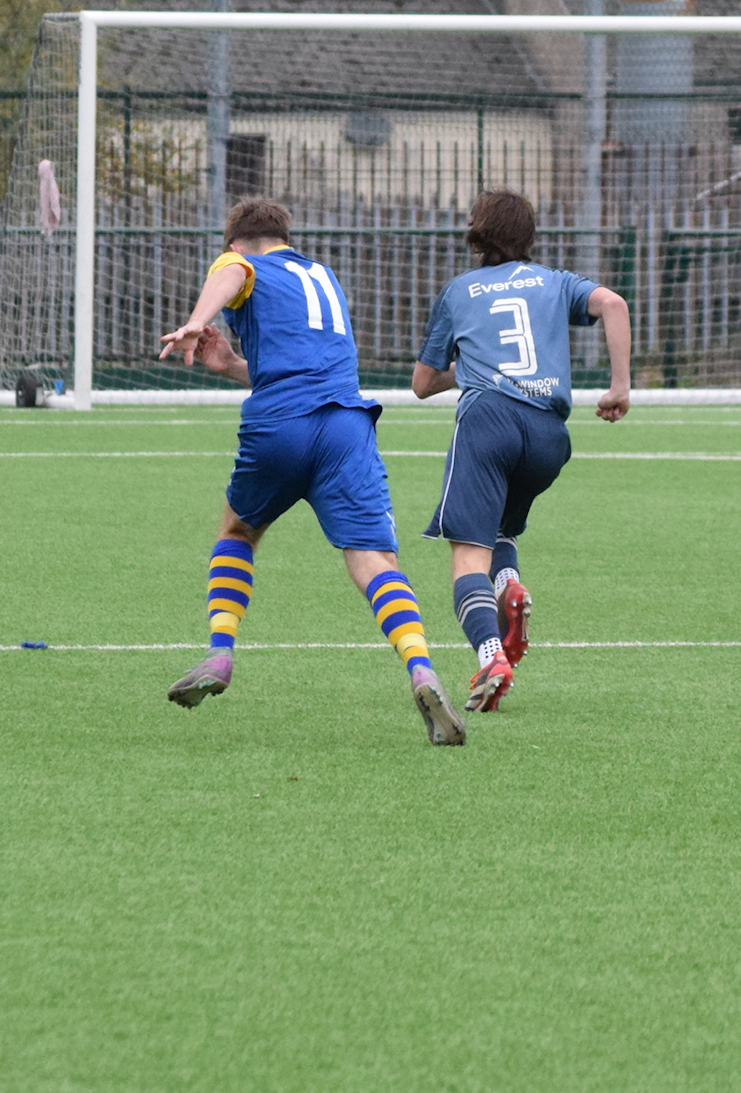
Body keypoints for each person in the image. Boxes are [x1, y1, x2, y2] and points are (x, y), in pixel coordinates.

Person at [156, 198, 462, 746]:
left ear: (235, 241)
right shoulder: (322, 275)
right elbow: (301, 363)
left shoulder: (242, 264)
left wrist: (197, 322)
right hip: (346, 425)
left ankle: (220, 655)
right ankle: (420, 667)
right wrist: (229, 364)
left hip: (280, 425)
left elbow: (233, 272)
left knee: (237, 529)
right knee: (373, 559)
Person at [410, 190, 631, 716]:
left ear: (476, 233)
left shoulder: (459, 290)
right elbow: (614, 304)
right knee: (501, 532)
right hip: (549, 435)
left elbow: (421, 383)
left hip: (489, 420)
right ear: (531, 237)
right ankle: (508, 583)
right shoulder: (555, 282)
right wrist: (619, 385)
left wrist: (470, 369)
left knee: (467, 552)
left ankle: (490, 655)